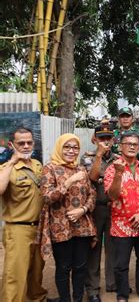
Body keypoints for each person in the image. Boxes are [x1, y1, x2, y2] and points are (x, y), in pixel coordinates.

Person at [38, 133, 97, 302]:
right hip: (60, 227)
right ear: (60, 148)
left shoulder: (81, 168)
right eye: (67, 147)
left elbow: (92, 194)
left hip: (82, 225)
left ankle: (77, 299)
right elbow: (48, 197)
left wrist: (83, 209)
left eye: (75, 147)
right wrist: (69, 182)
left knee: (80, 267)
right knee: (63, 267)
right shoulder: (49, 168)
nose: (71, 151)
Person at [104, 131, 139, 302]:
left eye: (135, 144)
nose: (132, 147)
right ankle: (122, 295)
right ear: (120, 146)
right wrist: (119, 174)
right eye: (128, 143)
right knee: (121, 264)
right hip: (122, 225)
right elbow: (112, 196)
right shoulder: (112, 169)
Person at [0, 127, 48, 302]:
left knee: (36, 270)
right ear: (12, 145)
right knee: (15, 275)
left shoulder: (37, 165)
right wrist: (12, 162)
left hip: (39, 227)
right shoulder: (6, 168)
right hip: (18, 229)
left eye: (29, 142)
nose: (26, 146)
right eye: (21, 143)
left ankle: (37, 298)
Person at [81, 125, 117, 301]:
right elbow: (93, 178)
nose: (105, 141)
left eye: (108, 138)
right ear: (94, 139)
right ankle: (93, 289)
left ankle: (113, 283)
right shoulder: (87, 157)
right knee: (94, 248)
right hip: (95, 209)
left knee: (113, 247)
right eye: (101, 138)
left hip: (113, 208)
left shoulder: (118, 158)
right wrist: (99, 155)